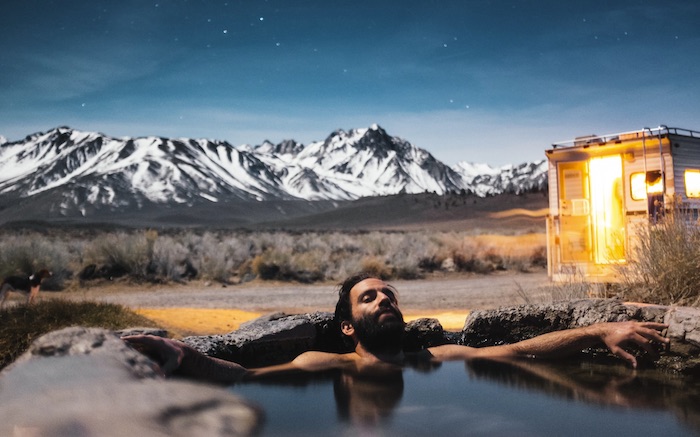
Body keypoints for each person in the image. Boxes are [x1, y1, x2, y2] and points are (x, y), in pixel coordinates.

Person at [123, 273, 669, 384]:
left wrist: (600, 333)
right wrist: (178, 353)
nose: (384, 298)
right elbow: (242, 377)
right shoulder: (322, 365)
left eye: (390, 294)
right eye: (369, 296)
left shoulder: (439, 359)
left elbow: (524, 349)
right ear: (345, 328)